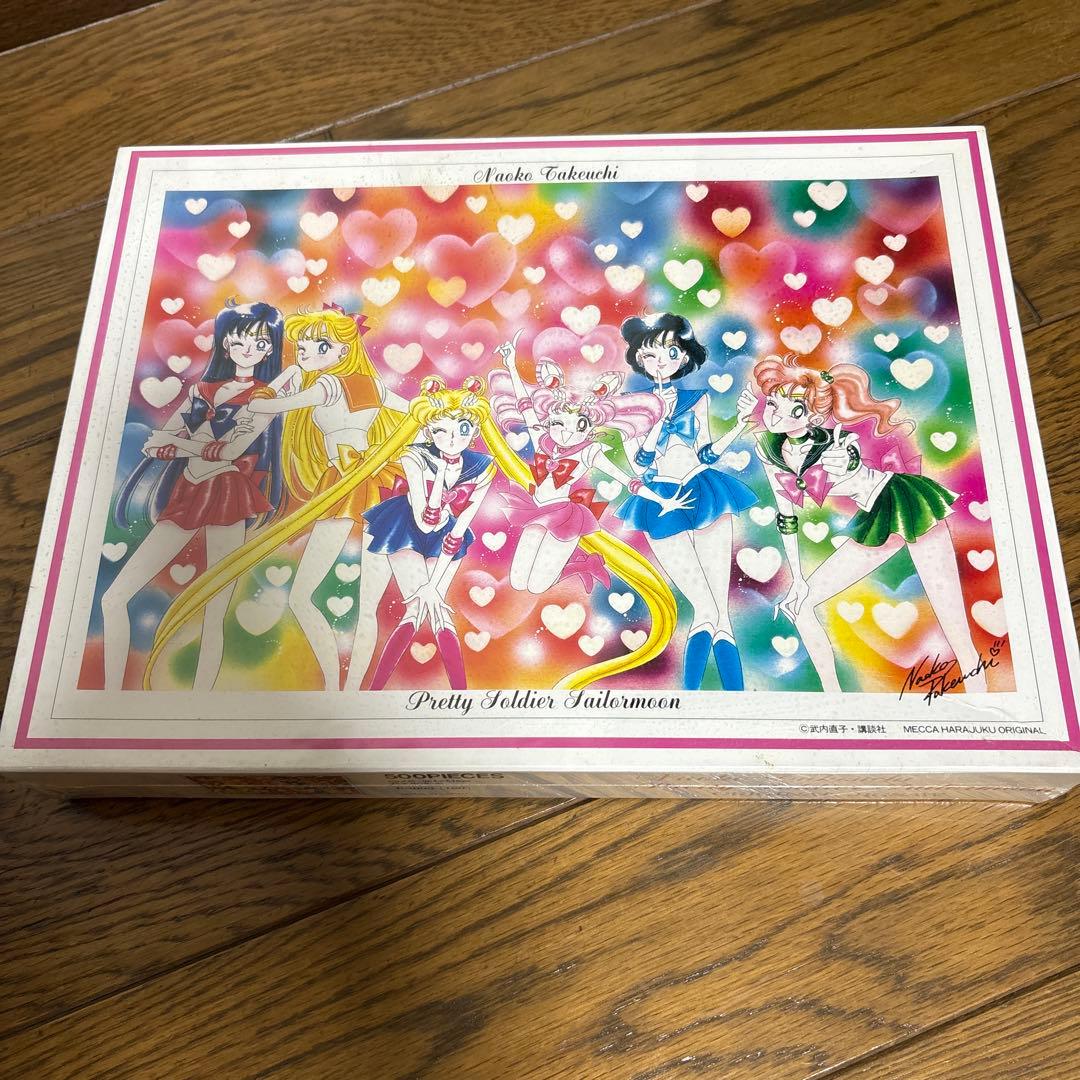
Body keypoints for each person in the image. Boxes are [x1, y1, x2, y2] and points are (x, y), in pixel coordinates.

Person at [749, 353, 986, 693]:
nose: (777, 414)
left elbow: (849, 458)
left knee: (953, 620)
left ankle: (982, 696)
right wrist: (797, 579)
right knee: (800, 604)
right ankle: (834, 698)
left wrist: (846, 460)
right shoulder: (769, 450)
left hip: (909, 503)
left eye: (795, 410)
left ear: (813, 416)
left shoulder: (834, 444)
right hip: (875, 521)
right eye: (774, 403)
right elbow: (787, 517)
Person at [104, 300, 285, 690]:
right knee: (113, 597)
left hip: (229, 496)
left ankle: (199, 705)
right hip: (188, 491)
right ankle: (110, 695)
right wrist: (186, 445)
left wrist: (181, 445)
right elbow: (156, 441)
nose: (249, 350)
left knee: (213, 611)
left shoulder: (265, 398)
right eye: (240, 340)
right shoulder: (201, 390)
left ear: (270, 348)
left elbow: (231, 451)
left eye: (260, 343)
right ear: (225, 343)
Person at [240, 304, 404, 690]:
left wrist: (284, 378)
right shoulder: (372, 385)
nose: (307, 353)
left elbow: (264, 405)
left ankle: (336, 686)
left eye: (320, 346)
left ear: (344, 351)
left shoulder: (328, 385)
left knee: (303, 596)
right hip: (373, 481)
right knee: (367, 604)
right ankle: (346, 689)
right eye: (302, 347)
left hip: (347, 483)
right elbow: (414, 411)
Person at [616, 313, 757, 690]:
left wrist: (740, 425)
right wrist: (657, 420)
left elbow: (706, 454)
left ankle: (735, 702)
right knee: (706, 607)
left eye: (671, 352)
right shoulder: (630, 407)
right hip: (661, 501)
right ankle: (692, 697)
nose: (661, 361)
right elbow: (639, 465)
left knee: (721, 614)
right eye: (651, 354)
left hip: (704, 491)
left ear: (684, 356)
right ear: (640, 359)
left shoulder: (696, 399)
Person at [488, 330, 674, 594]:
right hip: (535, 510)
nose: (566, 432)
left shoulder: (588, 451)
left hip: (565, 518)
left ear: (590, 428)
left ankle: (584, 565)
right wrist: (510, 365)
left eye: (579, 425)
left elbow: (627, 481)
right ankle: (580, 564)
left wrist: (662, 501)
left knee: (538, 587)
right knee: (518, 582)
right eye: (558, 423)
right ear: (548, 421)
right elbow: (524, 403)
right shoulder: (542, 440)